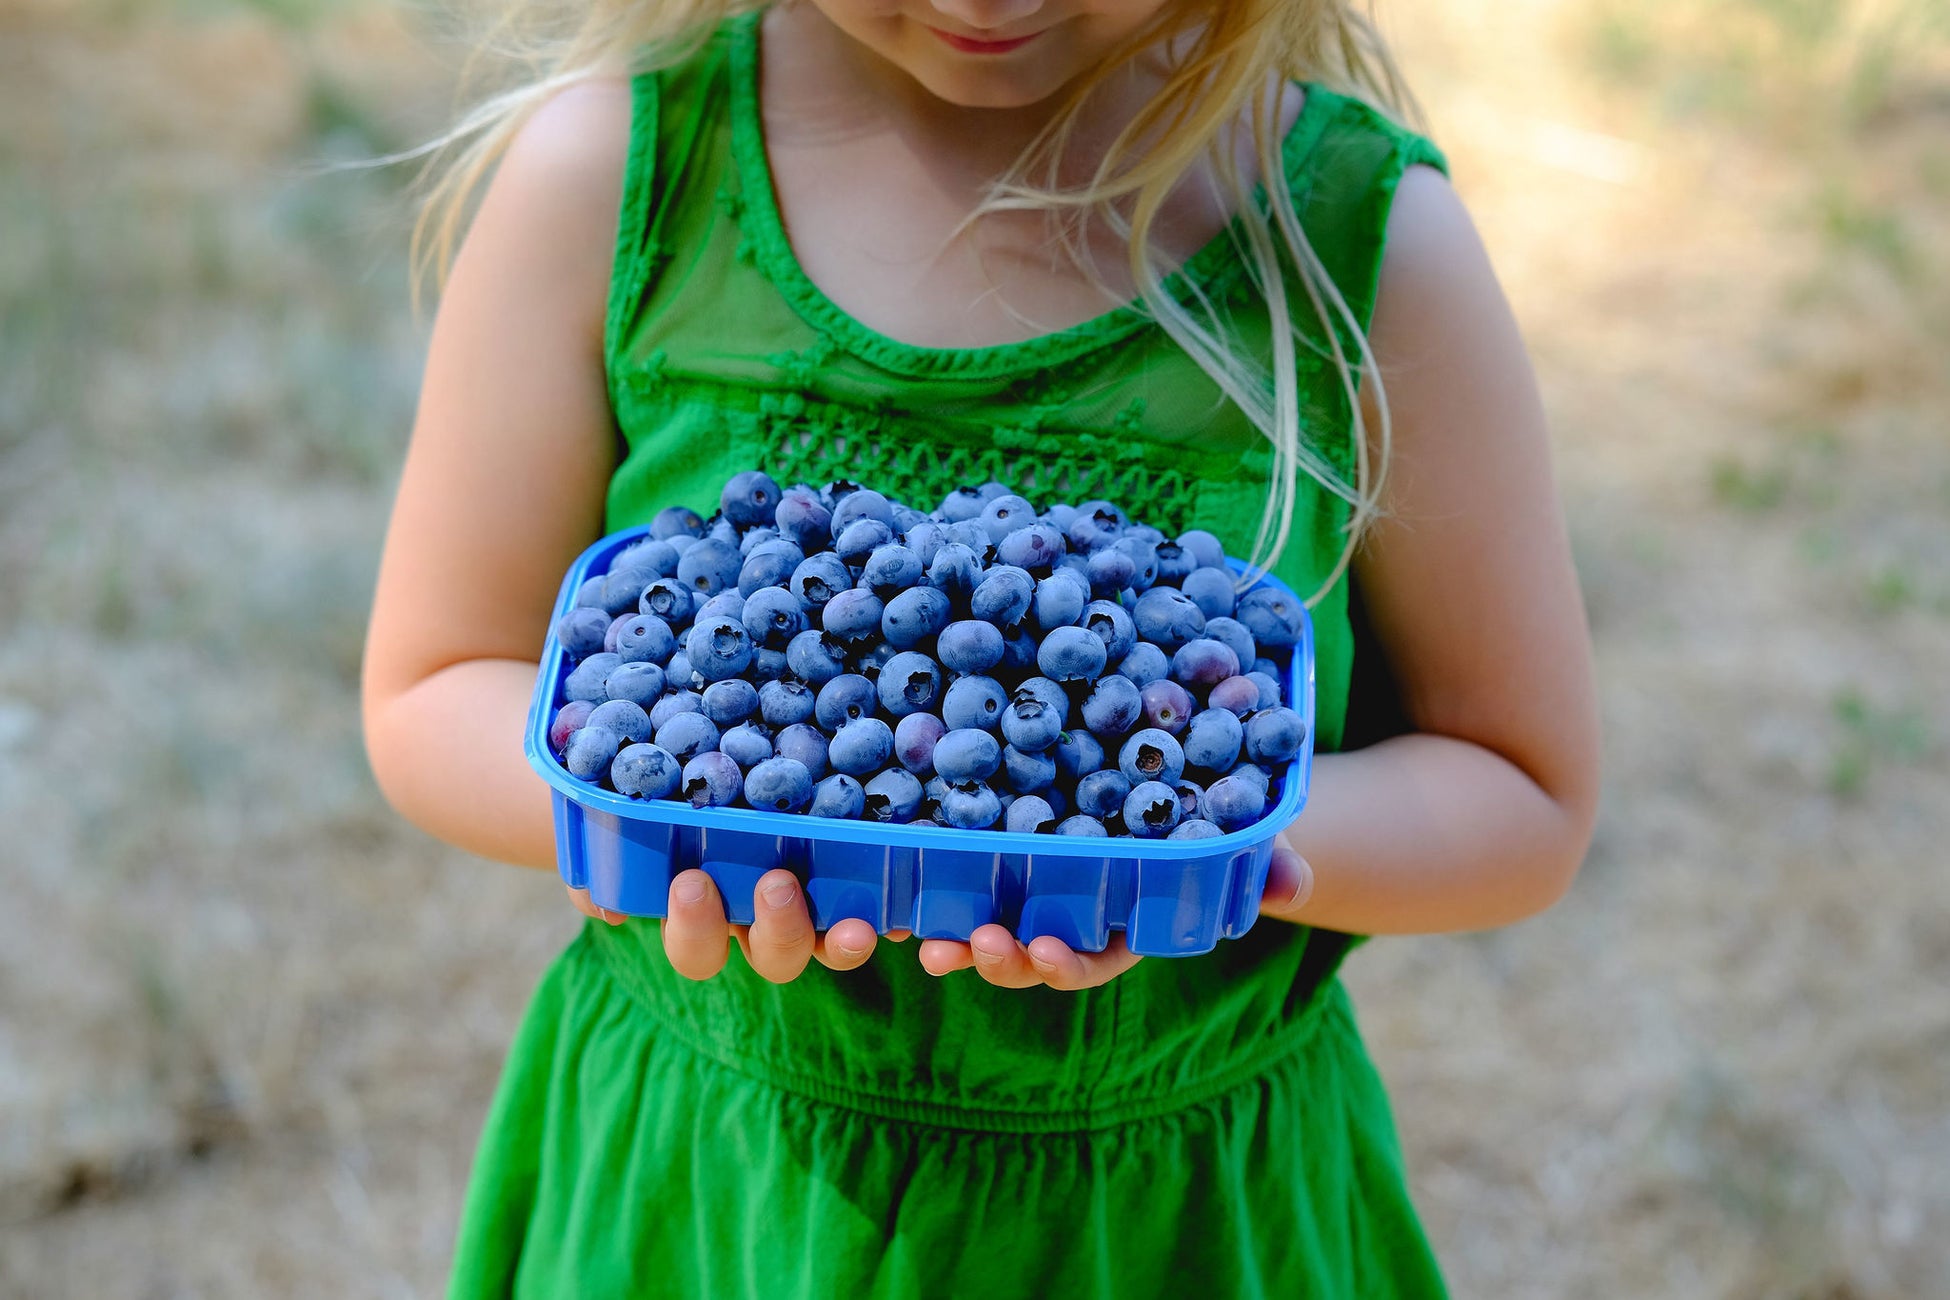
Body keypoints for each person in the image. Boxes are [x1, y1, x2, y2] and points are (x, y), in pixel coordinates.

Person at [360, 0, 1601, 1294]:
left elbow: (1520, 787)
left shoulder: (1360, 244)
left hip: (1158, 1229)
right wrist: (680, 836)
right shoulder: (615, 176)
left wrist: (1200, 861)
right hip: (716, 1200)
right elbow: (431, 686)